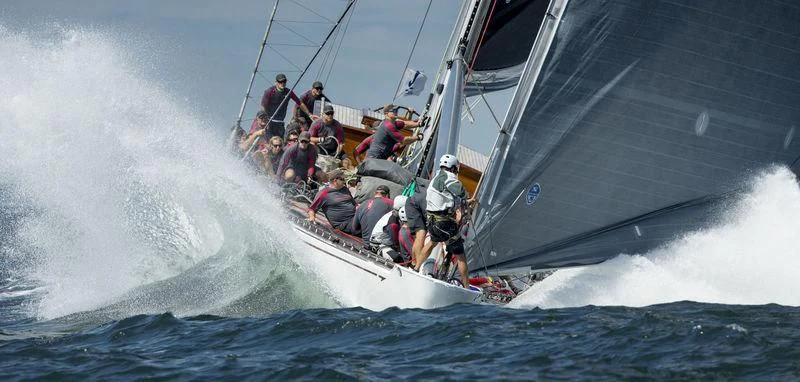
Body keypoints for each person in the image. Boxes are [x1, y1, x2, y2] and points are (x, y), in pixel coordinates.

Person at [416, 154, 469, 288]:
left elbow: (443, 196)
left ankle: (415, 268)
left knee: (431, 244)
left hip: (433, 222)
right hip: (445, 222)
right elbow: (462, 193)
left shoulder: (436, 178)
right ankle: (467, 287)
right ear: (454, 168)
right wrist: (466, 199)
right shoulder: (449, 177)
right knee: (461, 257)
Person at [260, 73, 315, 139]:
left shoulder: (288, 92)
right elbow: (263, 106)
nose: (282, 83)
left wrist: (309, 114)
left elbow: (299, 103)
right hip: (270, 121)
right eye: (280, 82)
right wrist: (265, 120)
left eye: (284, 81)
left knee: (282, 141)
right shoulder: (270, 91)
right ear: (276, 82)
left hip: (280, 122)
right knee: (270, 141)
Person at [308, 169, 359, 236]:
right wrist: (312, 219)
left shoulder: (345, 189)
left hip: (355, 217)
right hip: (343, 224)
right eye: (342, 179)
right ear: (335, 181)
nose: (345, 181)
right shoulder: (324, 193)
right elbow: (312, 209)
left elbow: (355, 204)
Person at [369, 195, 408, 263]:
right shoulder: (393, 222)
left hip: (386, 244)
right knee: (400, 259)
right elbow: (396, 241)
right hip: (380, 246)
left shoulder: (393, 215)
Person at [405, 183, 428, 269]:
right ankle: (418, 266)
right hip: (413, 205)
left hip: (417, 205)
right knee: (421, 234)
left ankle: (414, 263)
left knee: (419, 236)